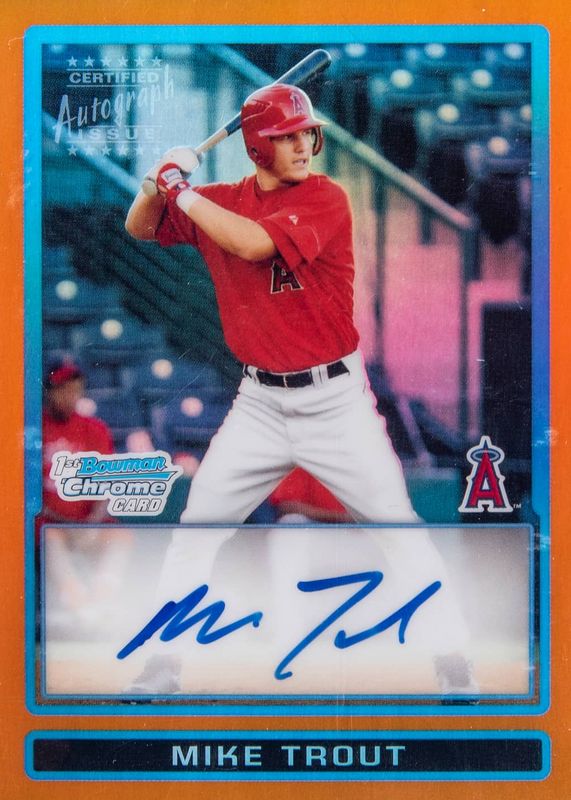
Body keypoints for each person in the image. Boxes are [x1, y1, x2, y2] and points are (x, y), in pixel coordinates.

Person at [124, 84, 477, 697]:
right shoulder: (222, 200)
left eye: (305, 133)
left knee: (396, 526)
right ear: (257, 148)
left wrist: (179, 189)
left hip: (335, 401)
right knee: (198, 526)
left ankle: (453, 658)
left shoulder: (324, 197)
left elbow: (250, 243)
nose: (303, 145)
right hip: (259, 402)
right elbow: (139, 228)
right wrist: (154, 185)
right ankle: (163, 663)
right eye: (286, 136)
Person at [40, 358, 132, 633]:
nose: (70, 396)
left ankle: (101, 603)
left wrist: (92, 522)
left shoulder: (94, 428)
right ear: (49, 391)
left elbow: (105, 485)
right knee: (50, 537)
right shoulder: (35, 427)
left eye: (75, 390)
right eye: (63, 389)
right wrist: (66, 524)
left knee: (120, 537)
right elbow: (30, 496)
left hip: (86, 522)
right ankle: (79, 606)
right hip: (49, 523)